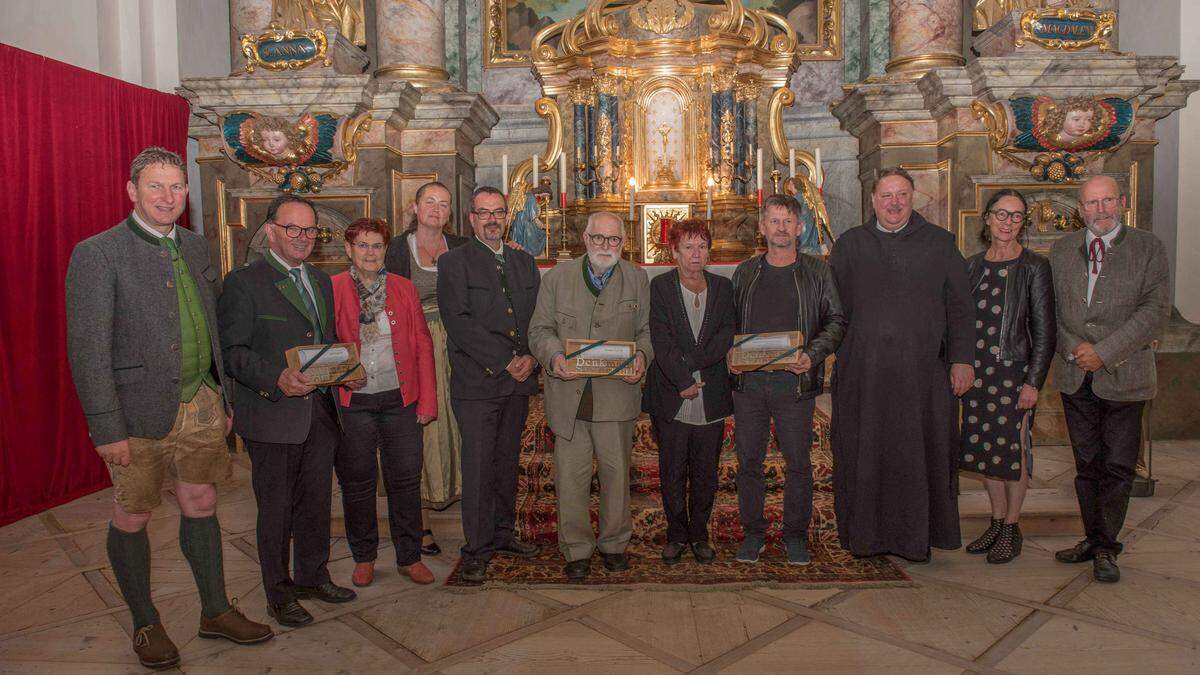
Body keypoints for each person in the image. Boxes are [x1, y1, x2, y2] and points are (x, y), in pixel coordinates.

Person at [65, 147, 273, 669]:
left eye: (177, 187)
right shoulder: (98, 253)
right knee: (133, 513)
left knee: (201, 504)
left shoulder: (197, 246)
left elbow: (213, 329)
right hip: (134, 412)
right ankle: (145, 622)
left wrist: (220, 397)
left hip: (200, 402)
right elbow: (88, 349)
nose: (168, 197)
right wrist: (105, 426)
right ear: (132, 191)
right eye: (155, 187)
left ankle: (215, 611)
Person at [218, 194, 357, 627]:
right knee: (276, 512)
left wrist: (346, 369)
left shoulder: (319, 280)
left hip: (319, 414)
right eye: (293, 229)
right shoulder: (244, 283)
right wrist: (275, 377)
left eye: (310, 230)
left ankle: (312, 576)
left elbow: (323, 341)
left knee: (315, 503)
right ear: (271, 230)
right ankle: (278, 595)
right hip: (273, 416)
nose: (302, 237)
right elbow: (232, 353)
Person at [829, 167, 975, 562]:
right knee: (866, 453)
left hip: (922, 377)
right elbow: (832, 311)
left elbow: (961, 309)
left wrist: (962, 360)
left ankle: (915, 539)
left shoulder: (940, 244)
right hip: (865, 376)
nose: (894, 203)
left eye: (902, 195)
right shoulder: (849, 245)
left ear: (914, 198)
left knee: (917, 455)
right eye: (886, 195)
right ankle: (866, 537)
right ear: (873, 200)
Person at [1049, 175, 1170, 583]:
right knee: (1086, 465)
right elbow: (1052, 312)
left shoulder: (1148, 248)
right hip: (1074, 375)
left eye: (1107, 202)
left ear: (1121, 202)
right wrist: (1074, 349)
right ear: (1079, 208)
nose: (1099, 211)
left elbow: (1154, 310)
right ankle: (1093, 537)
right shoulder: (1061, 250)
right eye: (1090, 203)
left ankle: (1105, 547)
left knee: (1118, 466)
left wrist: (1105, 351)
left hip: (1126, 375)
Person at [529, 211, 653, 580]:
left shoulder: (637, 278)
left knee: (616, 477)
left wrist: (643, 357)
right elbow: (539, 329)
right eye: (599, 238)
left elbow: (645, 331)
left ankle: (614, 544)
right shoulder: (557, 278)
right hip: (569, 397)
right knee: (571, 477)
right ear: (585, 238)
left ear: (623, 242)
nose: (606, 246)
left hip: (617, 398)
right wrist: (553, 355)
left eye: (613, 240)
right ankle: (577, 549)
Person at [729, 195, 847, 565]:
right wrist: (729, 355)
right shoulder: (746, 272)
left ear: (800, 228)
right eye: (774, 221)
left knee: (798, 463)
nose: (781, 228)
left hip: (794, 386)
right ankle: (753, 533)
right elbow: (728, 325)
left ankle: (795, 535)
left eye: (788, 221)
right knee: (749, 462)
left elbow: (836, 322)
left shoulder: (817, 271)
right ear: (762, 228)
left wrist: (811, 355)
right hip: (750, 387)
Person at [438, 186, 543, 582]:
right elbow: (458, 322)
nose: (492, 219)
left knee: (505, 464)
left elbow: (537, 317)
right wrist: (505, 361)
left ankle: (502, 534)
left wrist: (531, 356)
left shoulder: (523, 262)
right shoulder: (454, 263)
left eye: (498, 212)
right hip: (478, 384)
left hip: (517, 383)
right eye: (483, 213)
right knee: (479, 467)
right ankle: (476, 549)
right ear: (471, 219)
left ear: (506, 217)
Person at [331, 218, 437, 587]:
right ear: (349, 250)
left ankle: (410, 556)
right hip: (353, 402)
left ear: (385, 251)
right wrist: (344, 373)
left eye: (377, 246)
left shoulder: (404, 289)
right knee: (357, 482)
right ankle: (364, 556)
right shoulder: (332, 289)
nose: (370, 253)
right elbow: (328, 346)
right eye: (362, 246)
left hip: (400, 400)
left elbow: (423, 344)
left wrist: (427, 401)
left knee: (405, 480)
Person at [960, 189, 1056, 564]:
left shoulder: (1034, 267)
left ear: (1023, 223)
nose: (1008, 222)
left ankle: (1012, 526)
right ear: (987, 218)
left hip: (1013, 374)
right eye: (1001, 214)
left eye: (1016, 217)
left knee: (1012, 452)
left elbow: (1045, 331)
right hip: (977, 374)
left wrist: (1033, 382)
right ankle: (997, 521)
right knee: (986, 452)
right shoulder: (971, 266)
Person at [383, 181, 468, 556]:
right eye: (429, 202)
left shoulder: (463, 247)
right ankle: (420, 524)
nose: (436, 209)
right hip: (415, 346)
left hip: (459, 346)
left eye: (444, 203)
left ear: (450, 213)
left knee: (459, 427)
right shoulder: (396, 250)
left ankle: (467, 507)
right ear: (415, 208)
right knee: (422, 431)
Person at [645, 219, 736, 564]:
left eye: (702, 247)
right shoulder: (660, 287)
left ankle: (699, 533)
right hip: (671, 393)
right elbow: (660, 338)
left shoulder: (723, 288)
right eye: (688, 247)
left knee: (705, 471)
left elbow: (725, 335)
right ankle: (676, 534)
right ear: (674, 252)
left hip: (710, 393)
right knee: (672, 469)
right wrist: (682, 379)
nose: (696, 254)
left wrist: (691, 363)